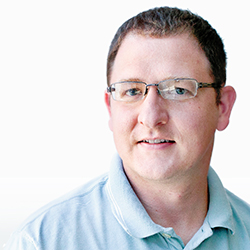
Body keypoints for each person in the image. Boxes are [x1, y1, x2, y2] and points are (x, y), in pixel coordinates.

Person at [5, 6, 250, 250]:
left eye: (178, 90)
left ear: (223, 107)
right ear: (110, 108)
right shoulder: (41, 242)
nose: (151, 117)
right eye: (131, 91)